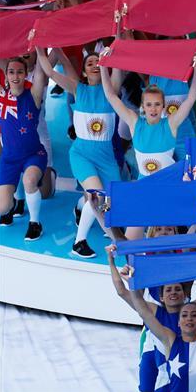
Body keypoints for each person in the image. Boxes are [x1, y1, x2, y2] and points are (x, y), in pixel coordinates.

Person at [35, 47, 122, 257]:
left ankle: (81, 206)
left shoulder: (111, 91)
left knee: (110, 200)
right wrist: (40, 45)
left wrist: (119, 37)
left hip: (106, 157)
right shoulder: (77, 89)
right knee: (97, 196)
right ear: (83, 71)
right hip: (82, 153)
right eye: (90, 63)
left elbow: (119, 66)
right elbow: (50, 70)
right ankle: (78, 243)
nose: (94, 65)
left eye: (97, 62)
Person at [106, 242, 196, 392]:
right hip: (154, 355)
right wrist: (111, 261)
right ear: (161, 297)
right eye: (169, 290)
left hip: (180, 361)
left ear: (184, 295)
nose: (173, 292)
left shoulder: (191, 310)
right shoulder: (154, 310)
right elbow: (121, 291)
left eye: (178, 289)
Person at [101, 54, 196, 181]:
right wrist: (103, 67)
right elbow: (111, 96)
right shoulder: (134, 122)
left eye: (157, 104)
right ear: (143, 106)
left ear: (163, 106)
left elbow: (191, 98)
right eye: (149, 105)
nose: (153, 109)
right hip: (144, 186)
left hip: (168, 184)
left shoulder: (171, 123)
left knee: (188, 179)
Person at [0, 57, 48, 240]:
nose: (15, 76)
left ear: (26, 74)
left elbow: (42, 71)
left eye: (20, 72)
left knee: (29, 181)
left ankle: (35, 223)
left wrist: (39, 45)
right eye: (11, 72)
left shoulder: (33, 95)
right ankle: (11, 204)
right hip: (9, 158)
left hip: (33, 155)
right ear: (6, 75)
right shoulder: (1, 95)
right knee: (2, 208)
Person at [127, 293, 196, 392]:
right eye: (184, 315)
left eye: (194, 315)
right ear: (178, 322)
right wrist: (133, 286)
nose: (189, 318)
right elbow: (144, 313)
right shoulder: (171, 341)